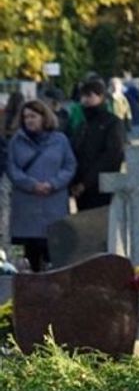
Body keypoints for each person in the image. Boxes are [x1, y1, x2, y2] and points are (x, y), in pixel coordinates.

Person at [7, 100, 76, 271]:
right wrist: (32, 185)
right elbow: (12, 168)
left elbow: (69, 165)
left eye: (33, 116)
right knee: (24, 260)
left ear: (44, 117)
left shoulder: (60, 140)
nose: (29, 120)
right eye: (26, 117)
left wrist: (53, 184)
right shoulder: (16, 141)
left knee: (54, 259)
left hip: (53, 204)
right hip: (25, 208)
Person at [68, 78, 126, 211]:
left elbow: (113, 155)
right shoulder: (83, 125)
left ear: (101, 97)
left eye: (89, 95)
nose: (85, 100)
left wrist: (86, 182)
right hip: (81, 188)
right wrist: (75, 182)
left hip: (103, 186)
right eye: (83, 96)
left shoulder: (112, 123)